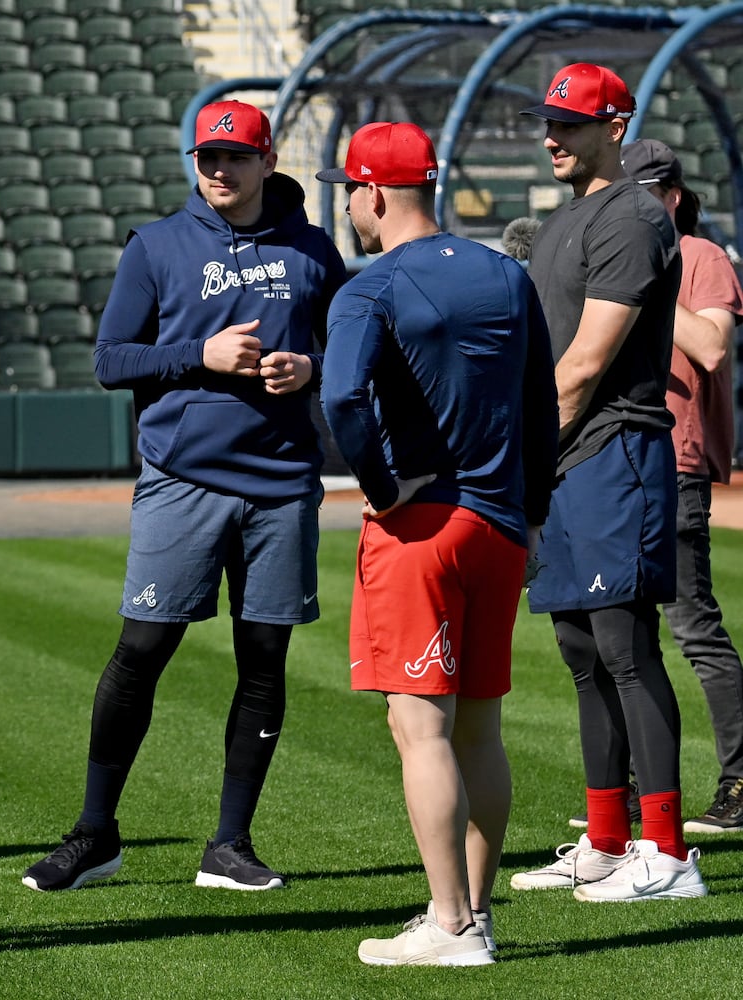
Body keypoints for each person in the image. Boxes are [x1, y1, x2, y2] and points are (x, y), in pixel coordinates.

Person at [21, 99, 348, 893]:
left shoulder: (312, 251)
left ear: (270, 162)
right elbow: (111, 360)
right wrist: (198, 356)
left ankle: (230, 845)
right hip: (184, 478)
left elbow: (347, 352)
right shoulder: (158, 246)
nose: (220, 170)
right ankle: (95, 833)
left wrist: (309, 367)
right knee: (142, 650)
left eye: (236, 157)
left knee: (263, 659)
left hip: (281, 486)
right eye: (208, 157)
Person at [317, 122, 558, 965]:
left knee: (421, 730)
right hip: (501, 526)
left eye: (350, 189)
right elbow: (542, 406)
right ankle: (476, 915)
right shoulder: (505, 273)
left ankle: (450, 924)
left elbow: (342, 403)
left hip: (420, 528)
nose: (350, 204)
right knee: (480, 732)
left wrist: (385, 493)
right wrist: (532, 513)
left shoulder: (370, 287)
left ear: (373, 194)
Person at [510, 63, 707, 900]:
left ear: (615, 125)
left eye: (573, 123)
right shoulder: (566, 220)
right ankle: (605, 838)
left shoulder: (630, 216)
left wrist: (516, 464)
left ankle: (666, 853)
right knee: (582, 652)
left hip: (613, 450)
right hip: (567, 460)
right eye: (548, 122)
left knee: (627, 651)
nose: (554, 135)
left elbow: (583, 366)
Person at [621, 138, 743, 833]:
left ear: (671, 195)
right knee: (621, 637)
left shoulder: (698, 256)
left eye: (645, 195)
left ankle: (740, 781)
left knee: (694, 629)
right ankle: (633, 792)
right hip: (614, 460)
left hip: (677, 460)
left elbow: (712, 346)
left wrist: (643, 281)